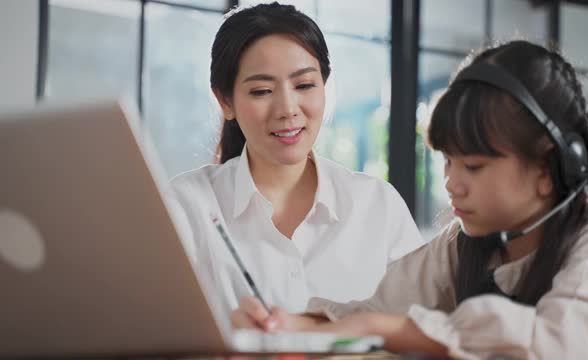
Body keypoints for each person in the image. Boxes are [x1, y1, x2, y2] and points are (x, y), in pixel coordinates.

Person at [231, 40, 588, 359]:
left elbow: (560, 347)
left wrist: (386, 329)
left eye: (474, 167)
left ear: (548, 170)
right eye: (448, 161)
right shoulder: (465, 244)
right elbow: (374, 309)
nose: (451, 183)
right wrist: (292, 323)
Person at [167, 2, 425, 319]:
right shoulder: (187, 204)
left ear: (325, 88)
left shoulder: (378, 205)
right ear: (225, 101)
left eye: (304, 85)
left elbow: (422, 329)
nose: (287, 109)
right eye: (261, 91)